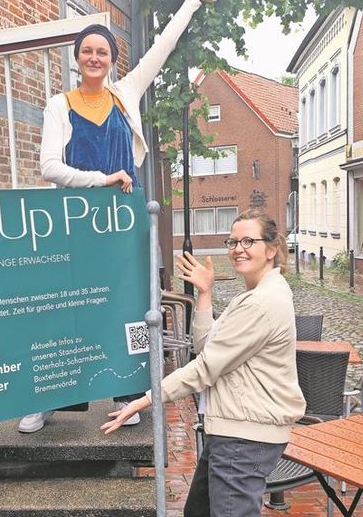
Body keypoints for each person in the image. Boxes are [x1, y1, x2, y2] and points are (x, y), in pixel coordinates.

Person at [23, 0, 217, 435]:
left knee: (129, 307)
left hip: (122, 224)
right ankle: (52, 397)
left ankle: (129, 397)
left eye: (102, 52)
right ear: (76, 58)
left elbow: (164, 46)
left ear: (112, 60)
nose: (94, 58)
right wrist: (101, 180)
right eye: (87, 51)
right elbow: (49, 166)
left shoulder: (126, 93)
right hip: (72, 223)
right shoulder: (59, 105)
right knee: (67, 309)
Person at [102, 209, 306, 517]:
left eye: (248, 240)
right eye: (233, 241)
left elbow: (205, 366)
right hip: (233, 430)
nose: (238, 248)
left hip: (245, 436)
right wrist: (205, 293)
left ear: (272, 248)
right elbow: (206, 345)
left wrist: (145, 399)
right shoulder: (252, 296)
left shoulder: (261, 303)